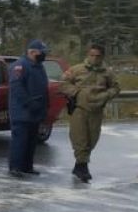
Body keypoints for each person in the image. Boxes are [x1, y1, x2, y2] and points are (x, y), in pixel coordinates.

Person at [59, 43, 120, 182]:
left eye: (98, 56)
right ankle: (82, 166)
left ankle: (80, 164)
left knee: (92, 139)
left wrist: (105, 95)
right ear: (88, 55)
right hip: (80, 108)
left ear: (102, 57)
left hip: (97, 110)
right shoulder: (76, 69)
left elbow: (116, 88)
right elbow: (63, 84)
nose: (94, 58)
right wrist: (78, 92)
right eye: (92, 55)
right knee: (79, 138)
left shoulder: (107, 72)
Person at [7, 39, 50, 178]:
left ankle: (27, 166)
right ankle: (15, 167)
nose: (44, 55)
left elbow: (43, 88)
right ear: (32, 52)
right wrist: (29, 103)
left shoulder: (39, 66)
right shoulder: (20, 66)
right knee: (20, 140)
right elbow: (17, 88)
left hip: (36, 111)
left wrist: (43, 107)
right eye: (41, 52)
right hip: (22, 110)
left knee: (31, 141)